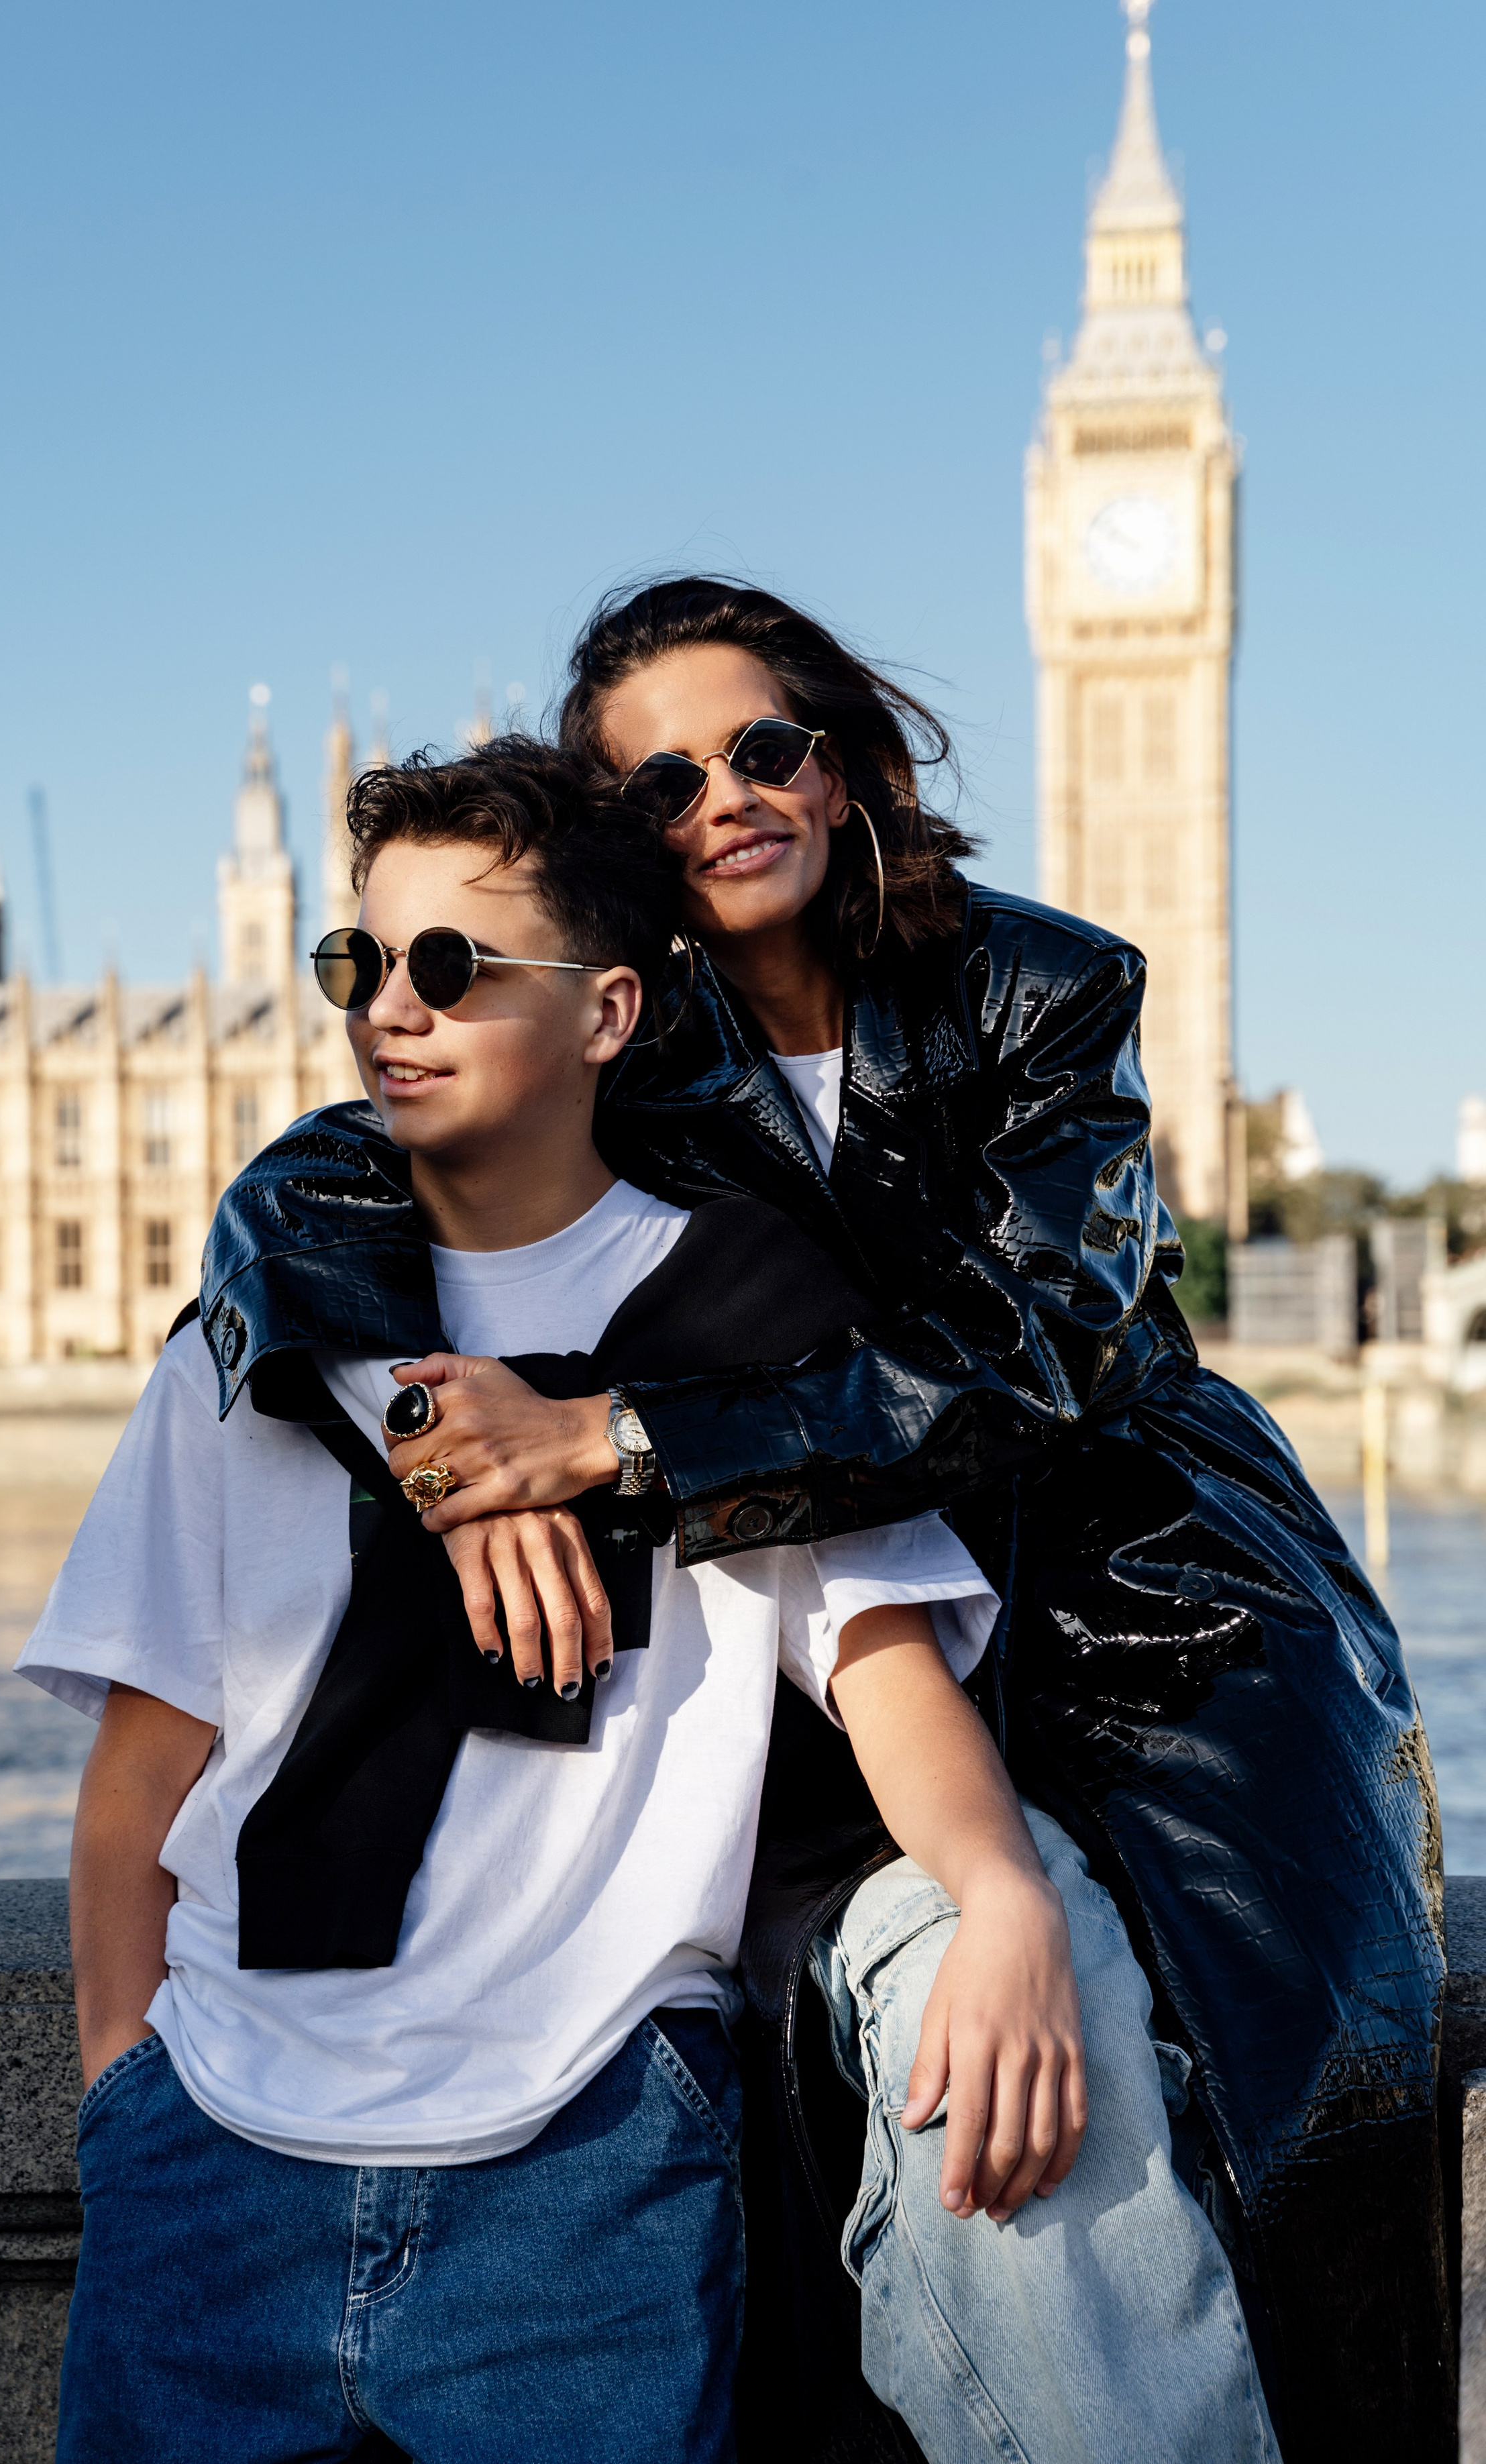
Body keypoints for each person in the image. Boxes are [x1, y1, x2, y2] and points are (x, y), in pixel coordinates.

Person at [339, 583, 1446, 2463]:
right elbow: (328, 1191)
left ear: (841, 766)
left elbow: (1031, 1353)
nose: (726, 798)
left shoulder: (1049, 982)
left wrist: (617, 1439)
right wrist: (432, 1438)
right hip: (844, 1621)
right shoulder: (614, 1040)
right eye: (665, 779)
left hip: (1144, 1597)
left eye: (763, 748)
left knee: (1289, 2057)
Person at [20, 739, 1222, 2464]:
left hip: (581, 2174)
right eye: (358, 963)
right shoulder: (263, 1321)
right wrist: (122, 2085)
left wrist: (1003, 1893)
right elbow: (149, 1751)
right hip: (217, 2157)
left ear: (606, 1014)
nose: (389, 1011)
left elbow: (879, 1664)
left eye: (451, 966)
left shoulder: (743, 1313)